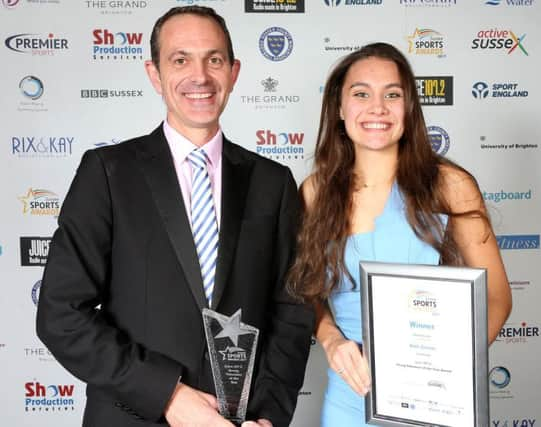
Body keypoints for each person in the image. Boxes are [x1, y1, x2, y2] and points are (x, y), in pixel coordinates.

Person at [36, 6, 313, 427]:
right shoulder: (108, 173)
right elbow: (60, 312)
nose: (199, 76)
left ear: (234, 72)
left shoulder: (272, 182)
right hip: (131, 417)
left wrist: (268, 414)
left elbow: (291, 311)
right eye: (180, 59)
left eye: (214, 60)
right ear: (154, 73)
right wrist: (168, 395)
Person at [287, 42, 512, 426]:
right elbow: (307, 295)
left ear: (409, 108)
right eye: (361, 94)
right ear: (339, 109)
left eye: (393, 94)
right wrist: (330, 339)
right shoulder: (314, 192)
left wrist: (447, 370)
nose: (378, 107)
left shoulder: (450, 185)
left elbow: (497, 299)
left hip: (433, 398)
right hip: (348, 400)